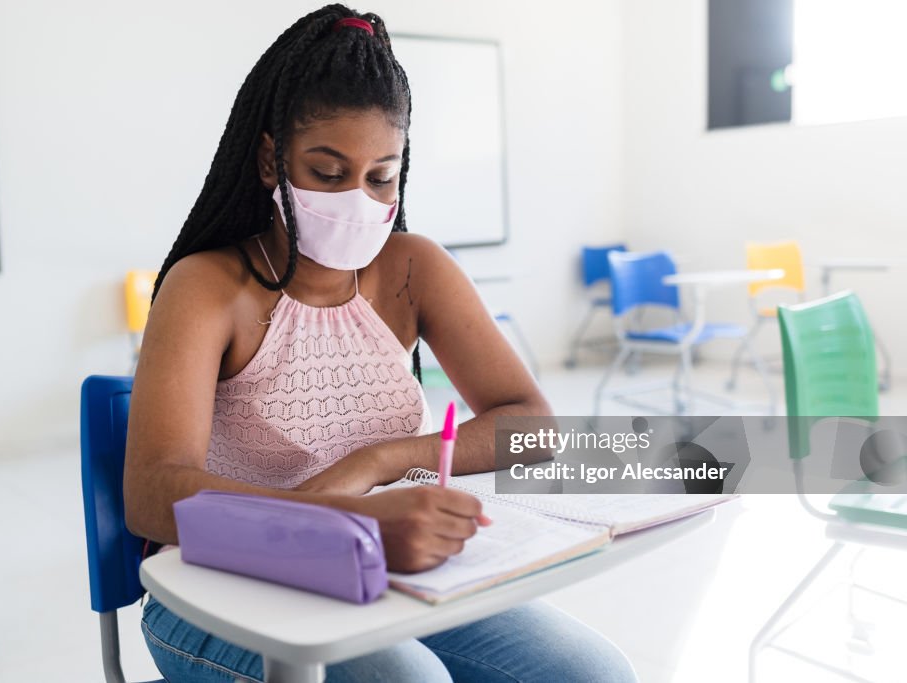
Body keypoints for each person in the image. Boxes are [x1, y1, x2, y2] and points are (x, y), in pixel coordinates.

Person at [123, 5, 638, 681]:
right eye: (329, 174)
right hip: (217, 584)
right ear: (271, 157)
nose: (357, 201)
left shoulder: (412, 268)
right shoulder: (207, 287)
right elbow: (154, 496)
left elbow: (532, 424)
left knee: (597, 672)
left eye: (380, 176)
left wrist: (380, 460)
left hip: (382, 561)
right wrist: (344, 517)